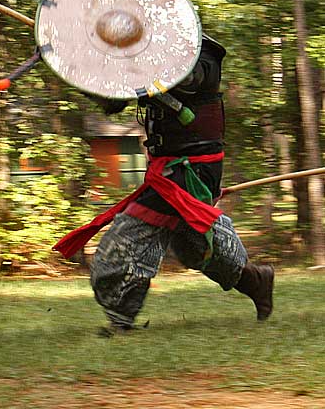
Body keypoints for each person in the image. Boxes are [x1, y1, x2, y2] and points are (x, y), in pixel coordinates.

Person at [54, 34, 274, 335]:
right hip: (169, 167)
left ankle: (121, 322)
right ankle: (255, 280)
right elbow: (112, 102)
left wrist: (131, 64)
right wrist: (75, 65)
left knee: (126, 238)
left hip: (191, 171)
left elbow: (188, 80)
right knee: (193, 246)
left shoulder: (203, 55)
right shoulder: (148, 56)